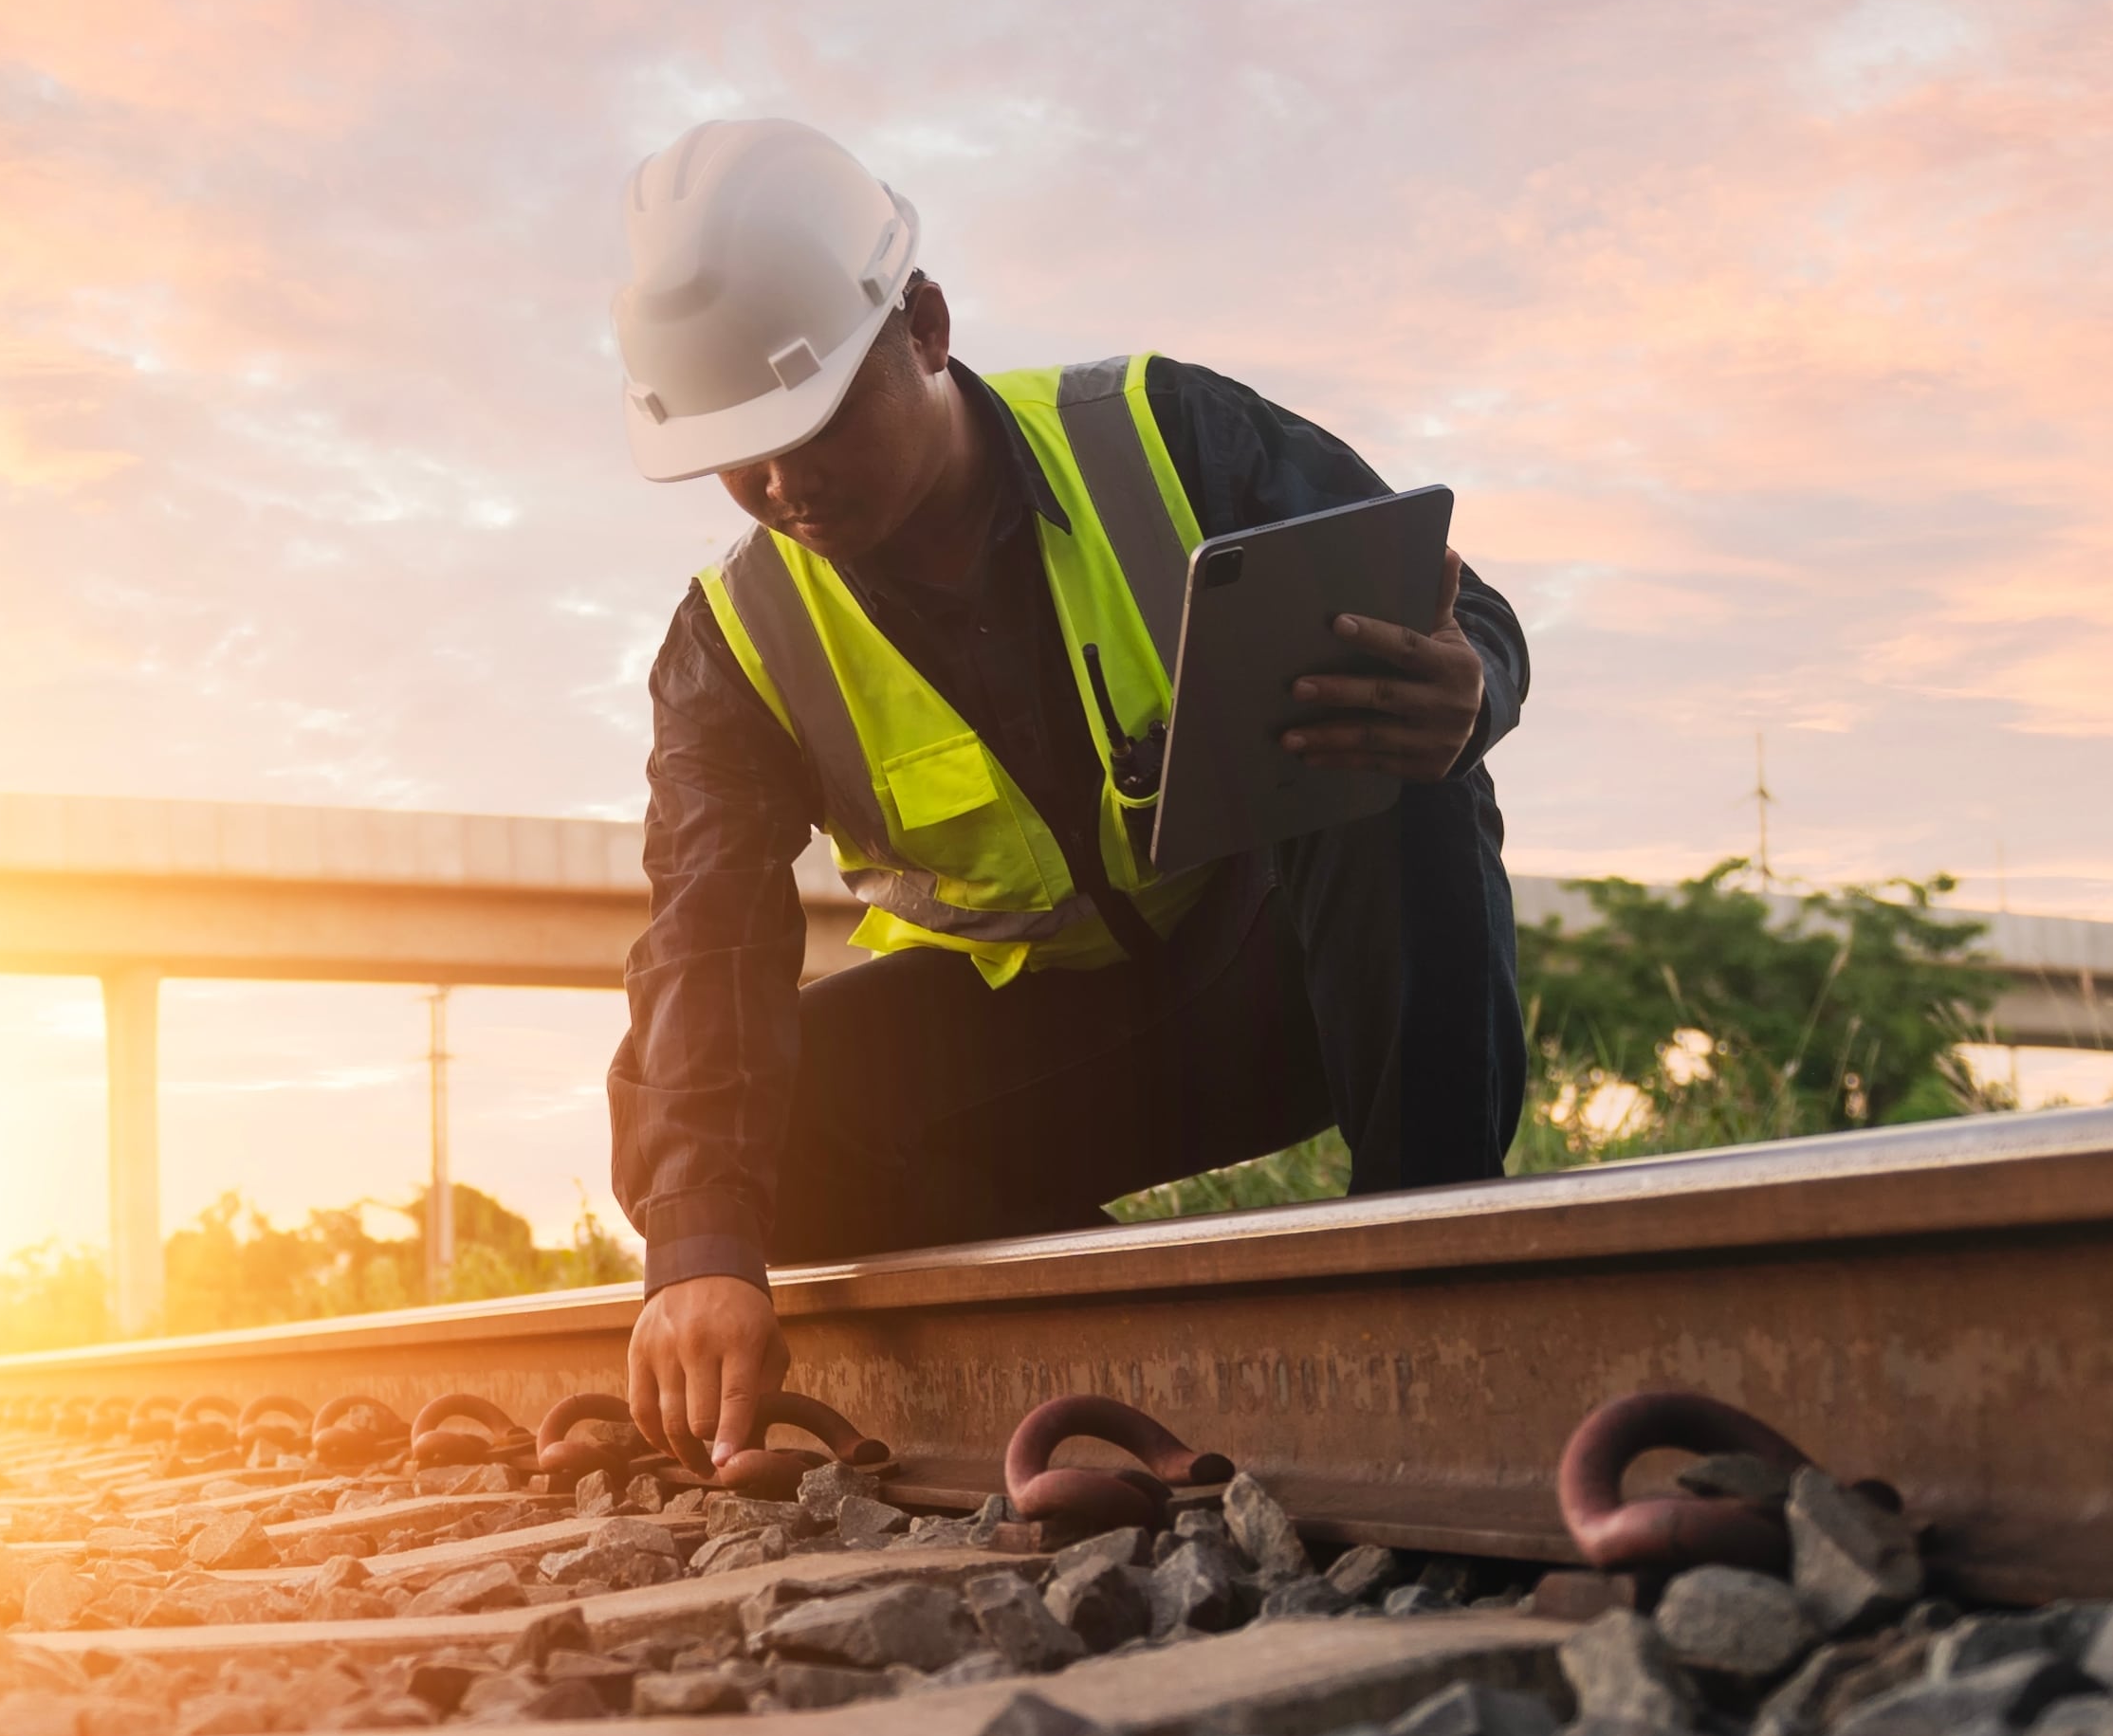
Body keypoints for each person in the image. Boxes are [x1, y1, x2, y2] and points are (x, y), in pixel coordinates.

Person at [604, 119, 1534, 1461]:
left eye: (811, 422)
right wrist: (696, 1246)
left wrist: (1474, 680)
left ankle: (1428, 1252)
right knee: (703, 1118)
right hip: (1047, 1055)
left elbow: (1450, 603)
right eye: (739, 455)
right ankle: (1116, 1308)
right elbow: (705, 933)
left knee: (1395, 741)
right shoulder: (731, 647)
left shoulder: (1163, 436)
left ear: (922, 324)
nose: (785, 483)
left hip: (1290, 991)